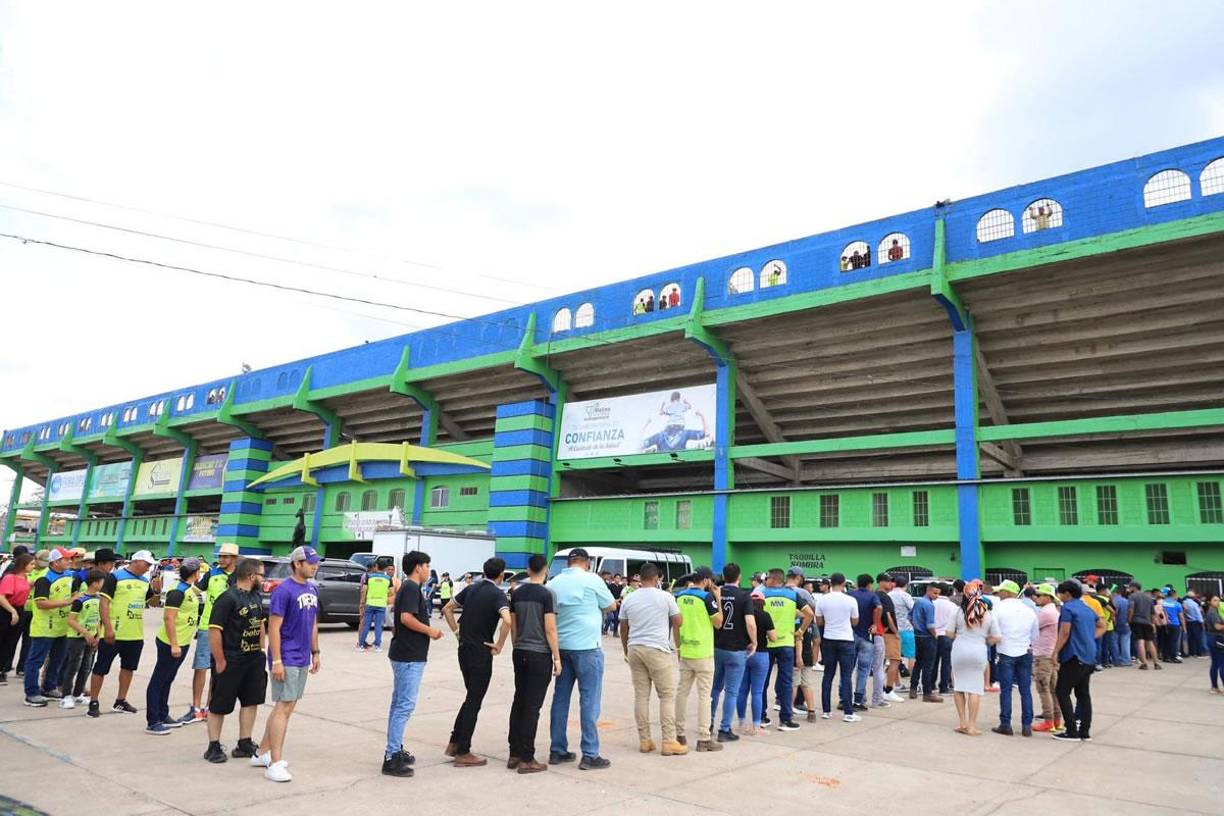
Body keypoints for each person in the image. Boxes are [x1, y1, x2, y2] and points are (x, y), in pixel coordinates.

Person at [252, 545, 322, 782]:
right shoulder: (283, 591)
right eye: (310, 563)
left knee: (286, 706)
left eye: (316, 562)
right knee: (283, 707)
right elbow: (273, 628)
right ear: (297, 564)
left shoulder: (312, 589)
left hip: (302, 656)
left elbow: (313, 623)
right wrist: (277, 660)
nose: (314, 566)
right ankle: (274, 763)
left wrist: (315, 652)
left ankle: (261, 752)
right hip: (286, 656)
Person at [547, 548, 616, 770]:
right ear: (587, 563)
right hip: (587, 648)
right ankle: (590, 754)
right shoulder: (592, 580)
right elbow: (611, 605)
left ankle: (557, 749)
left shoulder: (553, 583)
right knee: (589, 700)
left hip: (562, 649)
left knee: (560, 699)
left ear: (568, 563)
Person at [443, 557, 512, 767]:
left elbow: (447, 608)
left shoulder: (471, 588)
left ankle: (454, 742)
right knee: (474, 701)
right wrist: (499, 644)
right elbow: (508, 620)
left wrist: (456, 632)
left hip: (464, 649)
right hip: (481, 651)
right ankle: (463, 751)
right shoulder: (497, 595)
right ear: (501, 574)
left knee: (470, 698)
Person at [383, 550, 442, 778]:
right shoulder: (410, 587)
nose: (428, 570)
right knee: (404, 706)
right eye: (427, 566)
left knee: (398, 704)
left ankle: (394, 749)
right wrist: (430, 631)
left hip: (405, 653)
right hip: (409, 657)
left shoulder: (409, 588)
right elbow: (406, 618)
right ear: (418, 567)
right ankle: (391, 758)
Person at [204, 557, 268, 763]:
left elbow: (260, 624)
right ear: (251, 576)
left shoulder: (256, 596)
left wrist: (262, 649)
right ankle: (213, 746)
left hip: (253, 659)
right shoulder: (227, 599)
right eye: (262, 575)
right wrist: (220, 660)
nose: (264, 579)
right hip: (231, 659)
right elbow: (214, 631)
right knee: (219, 704)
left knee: (251, 700)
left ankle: (244, 742)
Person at [618, 563, 684, 756]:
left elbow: (623, 627)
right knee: (666, 696)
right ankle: (669, 741)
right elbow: (678, 621)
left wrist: (626, 649)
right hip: (657, 649)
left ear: (640, 578)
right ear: (657, 578)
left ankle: (645, 740)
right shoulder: (666, 597)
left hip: (635, 648)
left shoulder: (629, 598)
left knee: (641, 696)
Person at [88, 550, 161, 718]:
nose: (148, 567)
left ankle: (121, 700)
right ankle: (93, 701)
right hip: (114, 633)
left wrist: (157, 592)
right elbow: (104, 604)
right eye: (147, 564)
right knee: (101, 668)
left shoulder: (144, 581)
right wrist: (108, 628)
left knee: (128, 668)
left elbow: (153, 603)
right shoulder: (114, 577)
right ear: (136, 561)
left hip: (135, 634)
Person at [507, 554, 561, 773]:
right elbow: (550, 628)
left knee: (519, 701)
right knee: (532, 706)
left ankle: (514, 753)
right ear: (546, 570)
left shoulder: (517, 593)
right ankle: (527, 758)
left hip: (520, 651)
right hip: (540, 654)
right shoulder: (547, 594)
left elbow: (513, 625)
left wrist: (516, 645)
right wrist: (557, 657)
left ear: (528, 570)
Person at [183, 543, 239, 724]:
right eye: (220, 556)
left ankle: (209, 708)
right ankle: (195, 708)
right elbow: (193, 591)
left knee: (219, 670)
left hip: (230, 630)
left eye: (225, 557)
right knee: (201, 668)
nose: (221, 559)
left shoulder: (240, 576)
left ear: (234, 559)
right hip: (207, 626)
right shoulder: (212, 573)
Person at [146, 559, 205, 735]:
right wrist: (174, 644)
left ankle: (163, 714)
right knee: (159, 680)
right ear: (195, 573)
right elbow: (168, 618)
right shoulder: (178, 591)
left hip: (182, 641)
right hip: (171, 642)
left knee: (168, 679)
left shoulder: (188, 589)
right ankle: (153, 720)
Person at [673, 566, 724, 752]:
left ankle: (679, 734)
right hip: (703, 653)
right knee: (704, 696)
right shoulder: (707, 597)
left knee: (682, 693)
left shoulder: (680, 596)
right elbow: (718, 623)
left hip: (686, 650)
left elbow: (675, 625)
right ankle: (704, 738)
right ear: (707, 580)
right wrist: (718, 599)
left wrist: (679, 647)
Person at [1053, 580, 1106, 742]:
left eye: (1060, 593)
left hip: (1074, 655)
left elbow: (1064, 632)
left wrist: (1055, 652)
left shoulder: (1068, 608)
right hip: (1089, 655)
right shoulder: (1087, 608)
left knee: (1062, 691)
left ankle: (1071, 730)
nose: (1058, 596)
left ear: (1067, 594)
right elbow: (1102, 625)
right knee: (1083, 694)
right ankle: (1084, 731)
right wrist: (1090, 637)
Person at [25, 548, 78, 706]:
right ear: (55, 562)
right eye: (66, 559)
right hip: (45, 627)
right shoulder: (44, 578)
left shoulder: (69, 575)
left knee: (57, 659)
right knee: (36, 661)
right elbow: (41, 603)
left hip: (62, 626)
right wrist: (67, 602)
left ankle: (49, 687)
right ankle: (31, 693)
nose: (70, 561)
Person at [710, 562, 755, 741]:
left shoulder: (715, 593)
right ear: (739, 577)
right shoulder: (744, 596)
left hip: (717, 646)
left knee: (715, 688)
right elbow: (750, 623)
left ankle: (708, 723)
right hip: (736, 648)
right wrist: (754, 641)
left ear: (723, 576)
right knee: (731, 691)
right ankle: (724, 729)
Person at [948, 582, 1000, 736]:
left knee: (959, 687)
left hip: (959, 650)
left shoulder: (958, 612)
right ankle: (972, 726)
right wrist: (984, 640)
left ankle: (962, 723)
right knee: (974, 689)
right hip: (978, 651)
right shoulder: (988, 614)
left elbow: (948, 633)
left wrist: (961, 637)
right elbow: (996, 637)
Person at [762, 568, 812, 730]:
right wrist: (800, 631)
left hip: (767, 643)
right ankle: (785, 719)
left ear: (772, 579)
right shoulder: (792, 595)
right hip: (786, 644)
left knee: (763, 681)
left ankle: (761, 717)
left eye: (767, 578)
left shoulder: (762, 594)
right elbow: (809, 614)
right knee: (786, 682)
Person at [990, 580, 1039, 737]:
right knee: (1025, 690)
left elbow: (993, 631)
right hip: (1024, 651)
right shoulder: (1029, 610)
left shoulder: (998, 609)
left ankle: (1006, 724)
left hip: (1005, 651)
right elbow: (1035, 634)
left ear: (1007, 592)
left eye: (1000, 591)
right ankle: (1026, 725)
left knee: (1006, 690)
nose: (998, 594)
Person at [815, 572, 859, 722]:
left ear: (830, 583)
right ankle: (848, 712)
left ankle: (826, 711)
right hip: (846, 639)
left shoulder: (822, 600)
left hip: (829, 639)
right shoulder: (851, 600)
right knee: (846, 676)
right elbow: (855, 621)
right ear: (843, 583)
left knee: (828, 675)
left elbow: (819, 622)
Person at [736, 588, 775, 734]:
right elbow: (773, 637)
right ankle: (756, 726)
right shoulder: (765, 616)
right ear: (763, 603)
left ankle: (741, 723)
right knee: (757, 692)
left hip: (744, 654)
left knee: (742, 690)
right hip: (761, 655)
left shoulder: (742, 616)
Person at [784, 568, 818, 719]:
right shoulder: (807, 622)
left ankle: (788, 710)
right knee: (806, 684)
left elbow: (798, 639)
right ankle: (811, 711)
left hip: (797, 653)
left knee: (793, 683)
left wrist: (798, 657)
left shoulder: (796, 621)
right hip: (807, 653)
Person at [1030, 584, 1063, 733]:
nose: (1036, 597)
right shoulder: (1054, 611)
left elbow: (1032, 628)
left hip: (1043, 655)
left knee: (1043, 688)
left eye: (1039, 595)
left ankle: (1049, 720)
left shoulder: (1046, 613)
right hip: (1051, 654)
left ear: (1048, 597)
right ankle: (1056, 720)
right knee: (1053, 689)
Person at [849, 574, 882, 712]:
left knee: (847, 669)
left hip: (850, 635)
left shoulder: (850, 594)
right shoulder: (872, 596)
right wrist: (875, 624)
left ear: (858, 583)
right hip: (866, 636)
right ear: (869, 584)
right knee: (863, 670)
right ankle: (858, 700)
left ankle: (843, 698)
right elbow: (879, 607)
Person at [0, 552, 34, 685]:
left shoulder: (25, 578)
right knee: (2, 639)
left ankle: (3, 668)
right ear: (23, 564)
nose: (33, 566)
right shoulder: (10, 577)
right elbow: (2, 597)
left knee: (11, 641)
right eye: (31, 564)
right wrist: (12, 611)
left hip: (20, 609)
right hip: (6, 609)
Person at [909, 581, 942, 702]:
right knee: (928, 666)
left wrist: (916, 627)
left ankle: (913, 688)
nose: (937, 596)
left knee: (918, 663)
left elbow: (910, 617)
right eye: (935, 593)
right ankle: (927, 693)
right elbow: (930, 625)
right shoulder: (929, 605)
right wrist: (935, 635)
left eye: (938, 593)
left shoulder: (918, 601)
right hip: (928, 637)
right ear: (928, 591)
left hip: (917, 636)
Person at [875, 573, 905, 703]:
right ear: (881, 582)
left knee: (880, 663)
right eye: (888, 581)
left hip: (880, 632)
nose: (891, 584)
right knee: (895, 660)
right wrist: (895, 632)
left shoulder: (876, 595)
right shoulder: (884, 597)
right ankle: (888, 690)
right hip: (889, 633)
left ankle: (882, 689)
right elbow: (888, 616)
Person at [358, 558, 394, 652]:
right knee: (378, 625)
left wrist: (362, 602)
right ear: (386, 568)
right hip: (381, 604)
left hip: (370, 603)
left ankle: (361, 645)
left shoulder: (369, 577)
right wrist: (384, 593)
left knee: (366, 625)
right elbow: (391, 592)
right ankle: (377, 646)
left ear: (377, 566)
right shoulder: (388, 579)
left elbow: (364, 590)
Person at [1127, 581, 1159, 671]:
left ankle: (1144, 663)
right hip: (1148, 622)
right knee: (1150, 642)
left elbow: (1131, 609)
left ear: (1133, 587)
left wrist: (1129, 620)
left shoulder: (1133, 596)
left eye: (1130, 587)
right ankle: (1156, 663)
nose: (1129, 589)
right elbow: (1153, 613)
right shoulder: (1149, 598)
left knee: (1140, 641)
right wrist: (1153, 624)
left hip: (1137, 621)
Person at [933, 582, 958, 696]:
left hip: (933, 635)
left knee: (933, 661)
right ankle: (943, 687)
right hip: (947, 636)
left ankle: (931, 684)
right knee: (946, 663)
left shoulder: (932, 603)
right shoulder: (952, 606)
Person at [889, 575, 916, 679]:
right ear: (906, 585)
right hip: (906, 629)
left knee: (894, 659)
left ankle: (896, 684)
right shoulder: (906, 596)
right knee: (911, 656)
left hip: (892, 630)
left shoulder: (888, 595)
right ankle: (913, 683)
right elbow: (913, 610)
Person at [1205, 594, 1224, 694]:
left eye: (1218, 600)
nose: (1218, 602)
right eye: (1215, 600)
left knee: (1215, 663)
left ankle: (1214, 687)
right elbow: (1217, 626)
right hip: (1217, 638)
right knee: (1222, 663)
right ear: (1209, 602)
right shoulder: (1212, 612)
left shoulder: (1214, 611)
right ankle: (1215, 687)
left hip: (1212, 638)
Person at [1160, 588, 1184, 664]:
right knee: (1174, 641)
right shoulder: (1177, 604)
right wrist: (1184, 626)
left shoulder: (1162, 603)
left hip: (1164, 624)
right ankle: (1173, 657)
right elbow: (1181, 616)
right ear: (1174, 595)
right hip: (1175, 624)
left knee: (1165, 640)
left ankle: (1165, 657)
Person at [1111, 585, 1132, 667]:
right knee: (1125, 643)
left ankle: (1116, 660)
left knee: (1115, 643)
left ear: (1115, 593)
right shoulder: (1127, 601)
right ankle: (1126, 660)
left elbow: (1114, 612)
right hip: (1126, 624)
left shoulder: (1115, 601)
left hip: (1116, 625)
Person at [1183, 590, 1205, 658]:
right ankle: (1199, 652)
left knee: (1190, 638)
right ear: (1193, 597)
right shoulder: (1194, 604)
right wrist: (1202, 623)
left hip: (1188, 622)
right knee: (1198, 638)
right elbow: (1198, 614)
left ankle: (1192, 652)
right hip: (1195, 622)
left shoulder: (1184, 602)